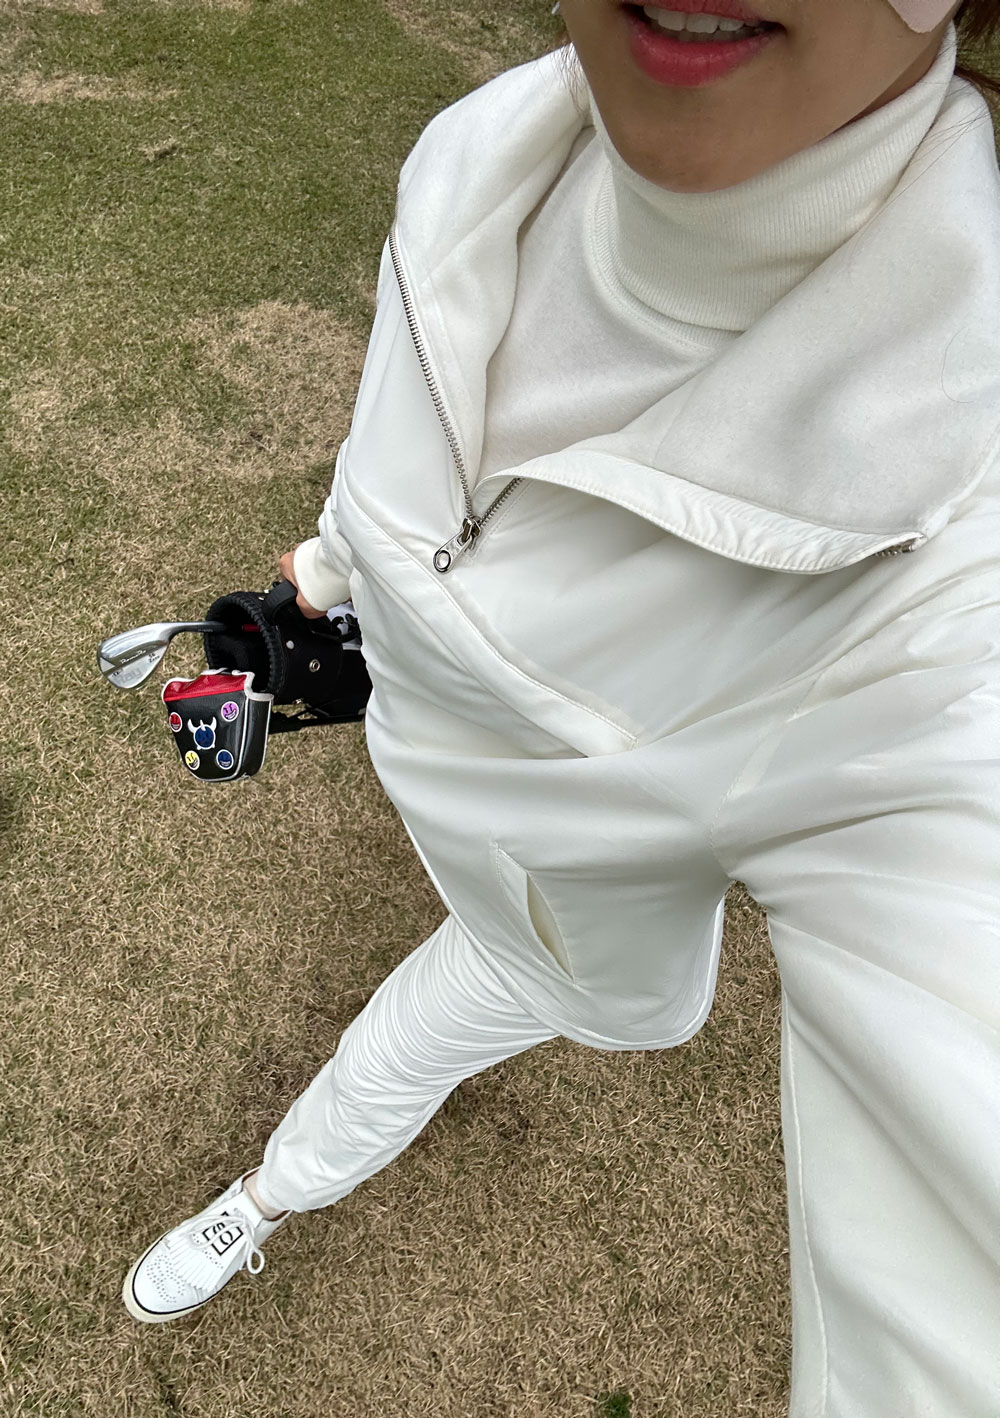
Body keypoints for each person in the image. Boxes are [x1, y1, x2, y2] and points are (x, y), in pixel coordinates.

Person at [123, 1, 1000, 1412]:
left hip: (551, 941)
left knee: (394, 1050)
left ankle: (266, 1197)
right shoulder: (474, 157)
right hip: (458, 826)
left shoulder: (958, 544)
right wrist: (322, 575)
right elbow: (395, 460)